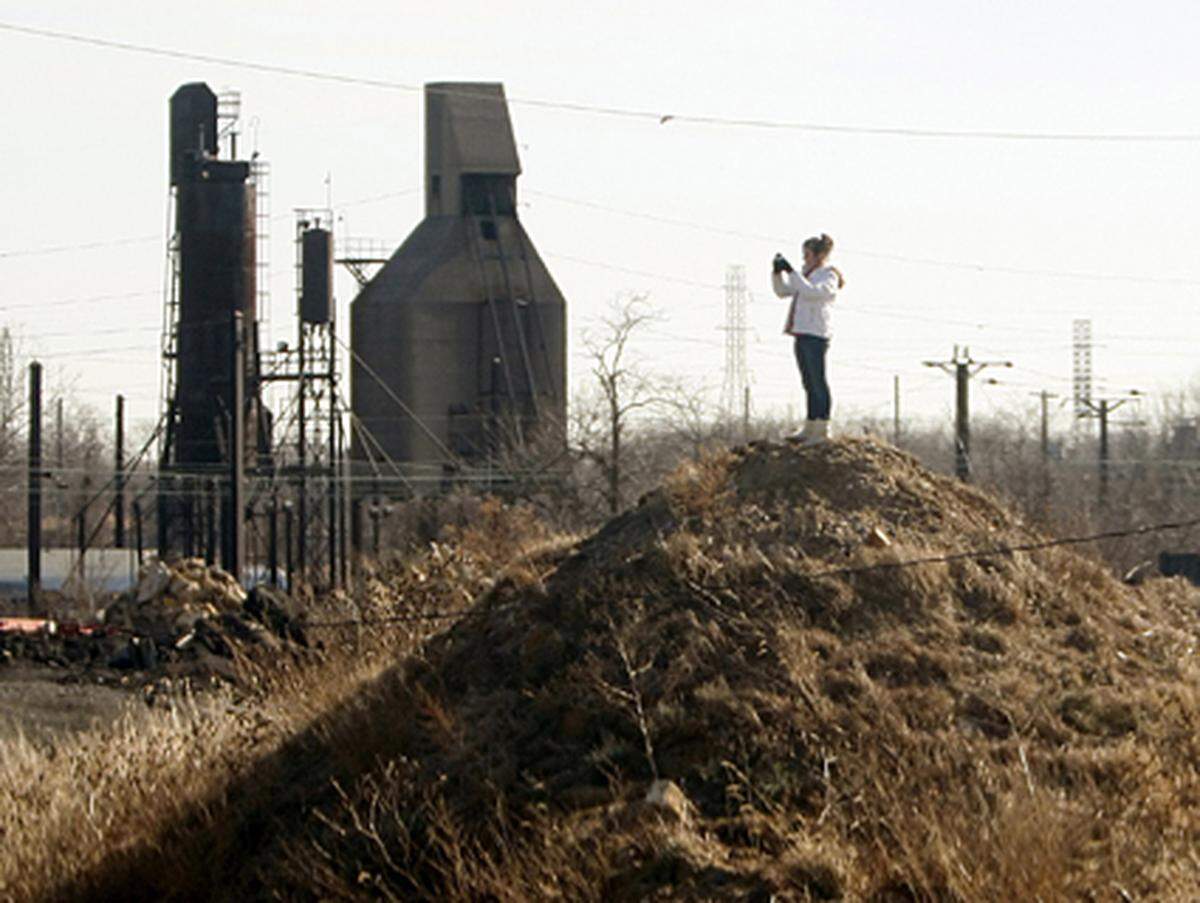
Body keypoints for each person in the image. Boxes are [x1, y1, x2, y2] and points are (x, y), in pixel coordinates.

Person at [772, 234, 845, 444]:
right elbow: (782, 291)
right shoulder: (805, 274)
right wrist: (778, 273)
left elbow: (813, 293)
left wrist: (792, 272)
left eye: (807, 255)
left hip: (816, 333)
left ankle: (822, 427)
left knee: (818, 380)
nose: (804, 259)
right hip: (801, 331)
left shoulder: (828, 275)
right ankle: (810, 424)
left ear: (820, 255)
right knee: (807, 381)